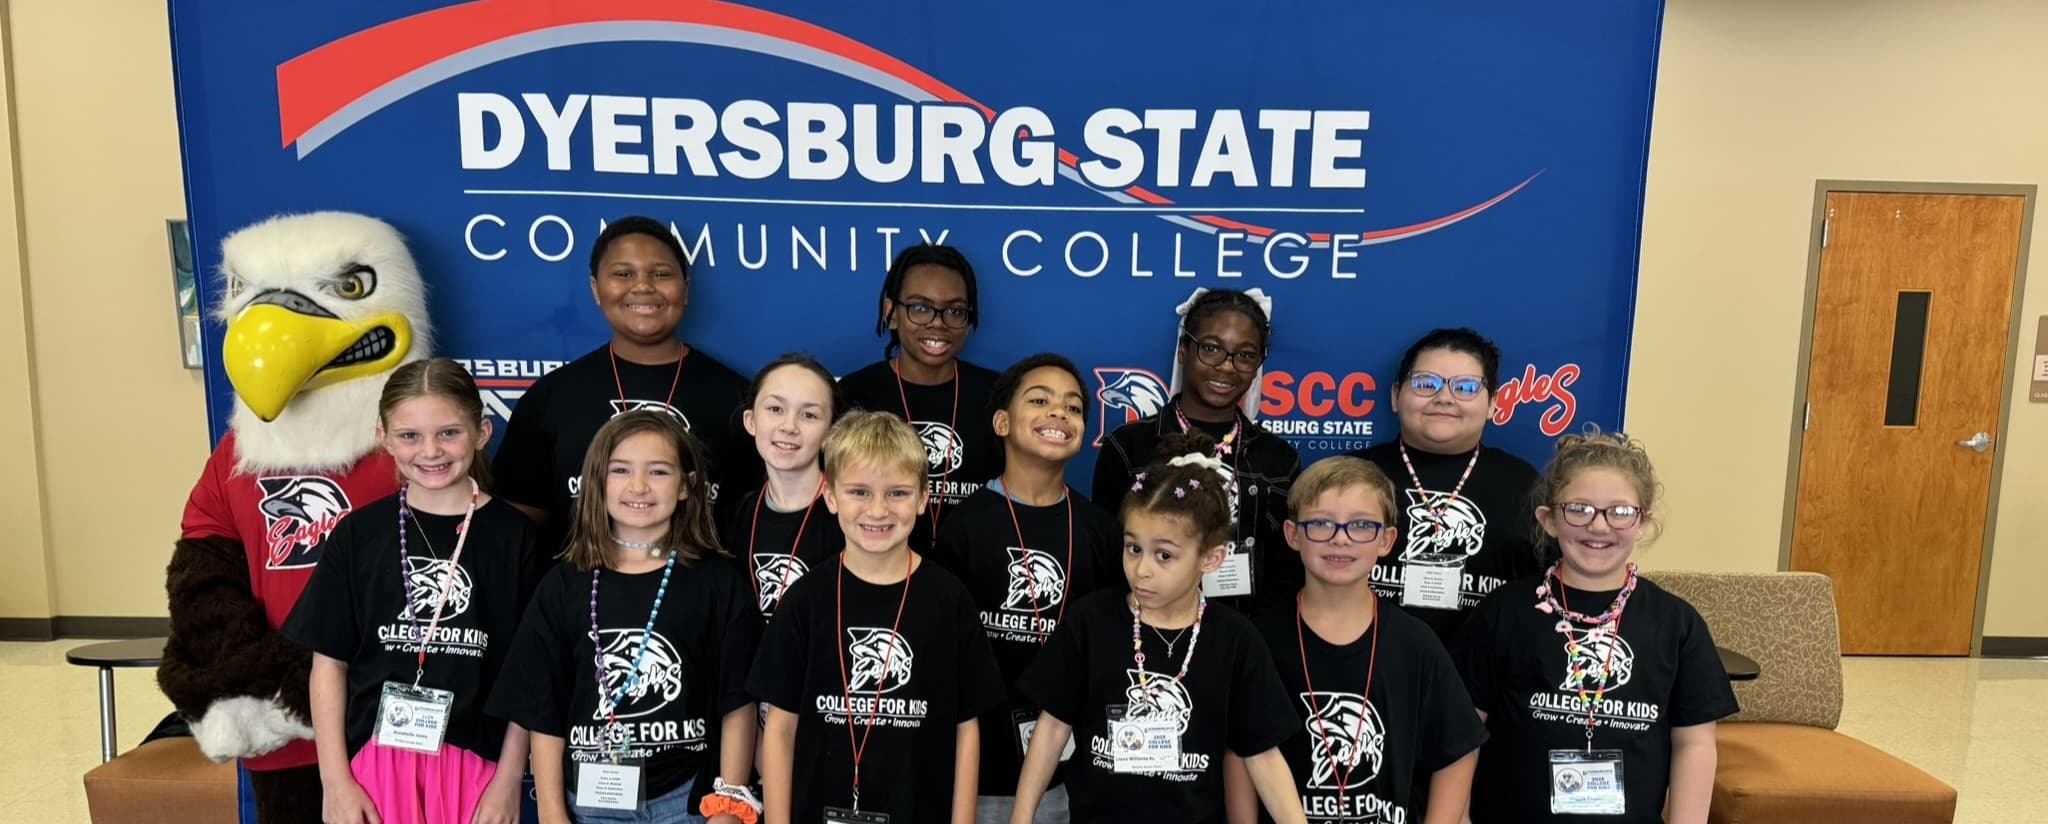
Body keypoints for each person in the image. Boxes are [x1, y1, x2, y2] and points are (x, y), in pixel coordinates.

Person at [285, 358, 550, 824]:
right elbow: (328, 664)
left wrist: (509, 780)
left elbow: (528, 676)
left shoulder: (516, 538)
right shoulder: (358, 535)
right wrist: (335, 780)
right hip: (373, 764)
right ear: (384, 438)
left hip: (478, 766)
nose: (430, 451)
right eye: (410, 436)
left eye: (449, 432)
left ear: (482, 432)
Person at [1014, 431, 1308, 824]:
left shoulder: (1236, 639)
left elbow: (1263, 755)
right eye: (1133, 548)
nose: (1142, 569)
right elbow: (1051, 729)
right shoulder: (1091, 621)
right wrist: (1021, 817)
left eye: (1164, 555)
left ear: (1211, 557)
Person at [488, 411, 761, 824]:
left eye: (658, 471)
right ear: (596, 483)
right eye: (620, 470)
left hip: (688, 801)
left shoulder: (717, 583)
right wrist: (550, 811)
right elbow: (543, 708)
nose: (638, 486)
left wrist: (728, 804)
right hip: (590, 802)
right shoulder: (564, 584)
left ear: (687, 487)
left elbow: (738, 703)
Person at [1453, 430, 1736, 823]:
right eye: (1579, 509)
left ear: (1642, 523)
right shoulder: (1502, 612)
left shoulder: (1677, 624)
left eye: (1620, 512)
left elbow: (1694, 744)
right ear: (1549, 520)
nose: (1599, 527)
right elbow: (1463, 731)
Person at [748, 410, 1006, 824]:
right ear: (830, 496)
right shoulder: (806, 599)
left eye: (898, 493)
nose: (879, 510)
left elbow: (966, 728)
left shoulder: (949, 599)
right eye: (860, 492)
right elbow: (779, 729)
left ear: (924, 498)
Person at [1227, 456, 1485, 824]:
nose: (1340, 539)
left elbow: (1458, 749)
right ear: (1292, 535)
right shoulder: (1259, 640)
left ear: (1387, 540)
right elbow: (1242, 751)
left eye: (1361, 526)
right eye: (1320, 524)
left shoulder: (1415, 642)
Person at [932, 354, 1124, 822]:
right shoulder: (965, 524)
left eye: (1074, 408)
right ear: (1002, 422)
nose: (1059, 413)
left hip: (1070, 766)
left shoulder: (1100, 529)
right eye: (1039, 400)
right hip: (981, 764)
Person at [494, 216, 754, 553]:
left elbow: (762, 520)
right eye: (623, 274)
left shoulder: (737, 397)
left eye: (660, 274)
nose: (643, 286)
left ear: (685, 289)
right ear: (595, 289)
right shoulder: (552, 396)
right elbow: (518, 532)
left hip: (705, 596)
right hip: (582, 596)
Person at [1094, 288, 1300, 612]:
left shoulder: (1279, 458)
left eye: (1245, 355)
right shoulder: (1129, 447)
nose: (1227, 367)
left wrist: (1253, 643)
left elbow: (1286, 570)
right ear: (1183, 349)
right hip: (1145, 634)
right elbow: (1105, 559)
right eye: (1211, 349)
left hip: (1245, 639)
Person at [1348, 328, 1543, 643]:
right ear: (1396, 395)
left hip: (1484, 677)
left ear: (1493, 403)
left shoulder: (1525, 484)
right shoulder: (1348, 475)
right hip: (1365, 668)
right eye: (1426, 384)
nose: (1443, 398)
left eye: (1465, 387)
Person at [838, 244, 1003, 551]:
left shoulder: (998, 395)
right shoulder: (854, 394)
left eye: (954, 311)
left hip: (975, 578)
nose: (938, 323)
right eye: (920, 307)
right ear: (891, 313)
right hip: (880, 574)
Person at [719, 354, 847, 621]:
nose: (789, 426)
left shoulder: (853, 519)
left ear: (831, 433)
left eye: (809, 415)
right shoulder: (728, 523)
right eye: (775, 409)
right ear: (751, 422)